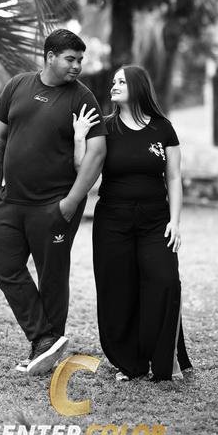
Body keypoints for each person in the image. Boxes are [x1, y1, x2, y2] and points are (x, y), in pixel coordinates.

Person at [0, 29, 107, 376]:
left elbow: (97, 154)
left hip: (54, 204)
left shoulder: (82, 97)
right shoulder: (17, 86)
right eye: (71, 59)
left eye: (80, 60)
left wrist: (71, 202)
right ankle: (45, 338)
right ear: (50, 56)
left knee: (52, 276)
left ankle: (44, 349)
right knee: (2, 264)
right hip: (11, 201)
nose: (77, 66)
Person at [73, 65, 192, 382]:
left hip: (156, 220)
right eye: (113, 81)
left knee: (165, 281)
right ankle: (130, 363)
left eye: (121, 81)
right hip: (113, 220)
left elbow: (174, 177)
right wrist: (79, 137)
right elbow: (83, 170)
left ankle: (165, 358)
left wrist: (175, 221)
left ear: (138, 87)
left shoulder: (163, 128)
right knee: (118, 289)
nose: (114, 85)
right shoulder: (105, 128)